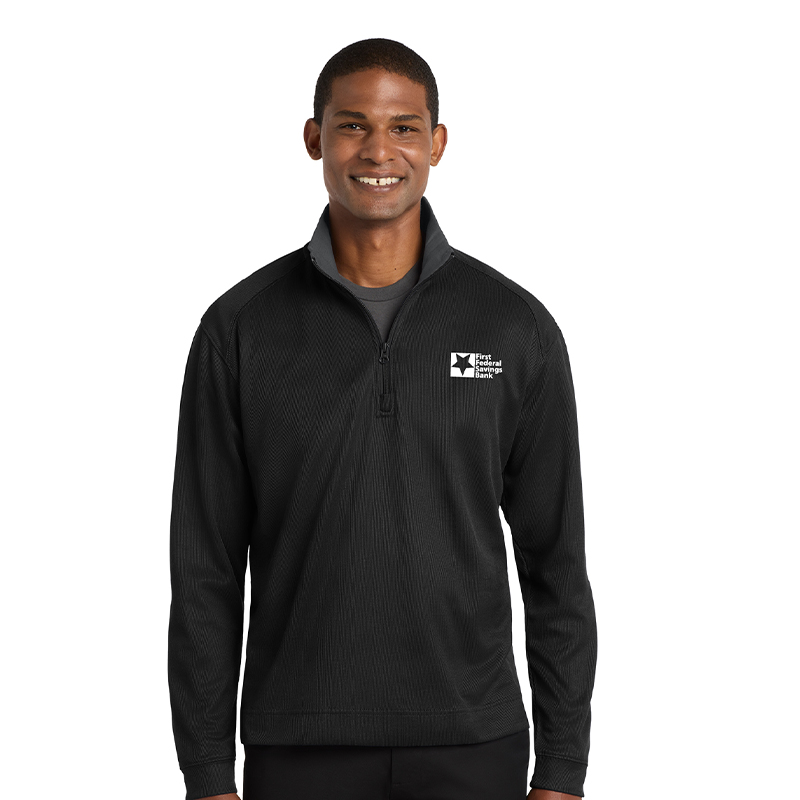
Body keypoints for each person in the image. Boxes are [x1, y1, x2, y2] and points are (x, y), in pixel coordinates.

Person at [167, 37, 598, 800]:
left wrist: (563, 769)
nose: (378, 150)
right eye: (352, 125)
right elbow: (205, 570)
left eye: (404, 128)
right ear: (314, 139)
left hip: (475, 744)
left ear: (437, 144)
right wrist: (206, 774)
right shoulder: (240, 329)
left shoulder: (515, 328)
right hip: (298, 746)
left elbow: (555, 563)